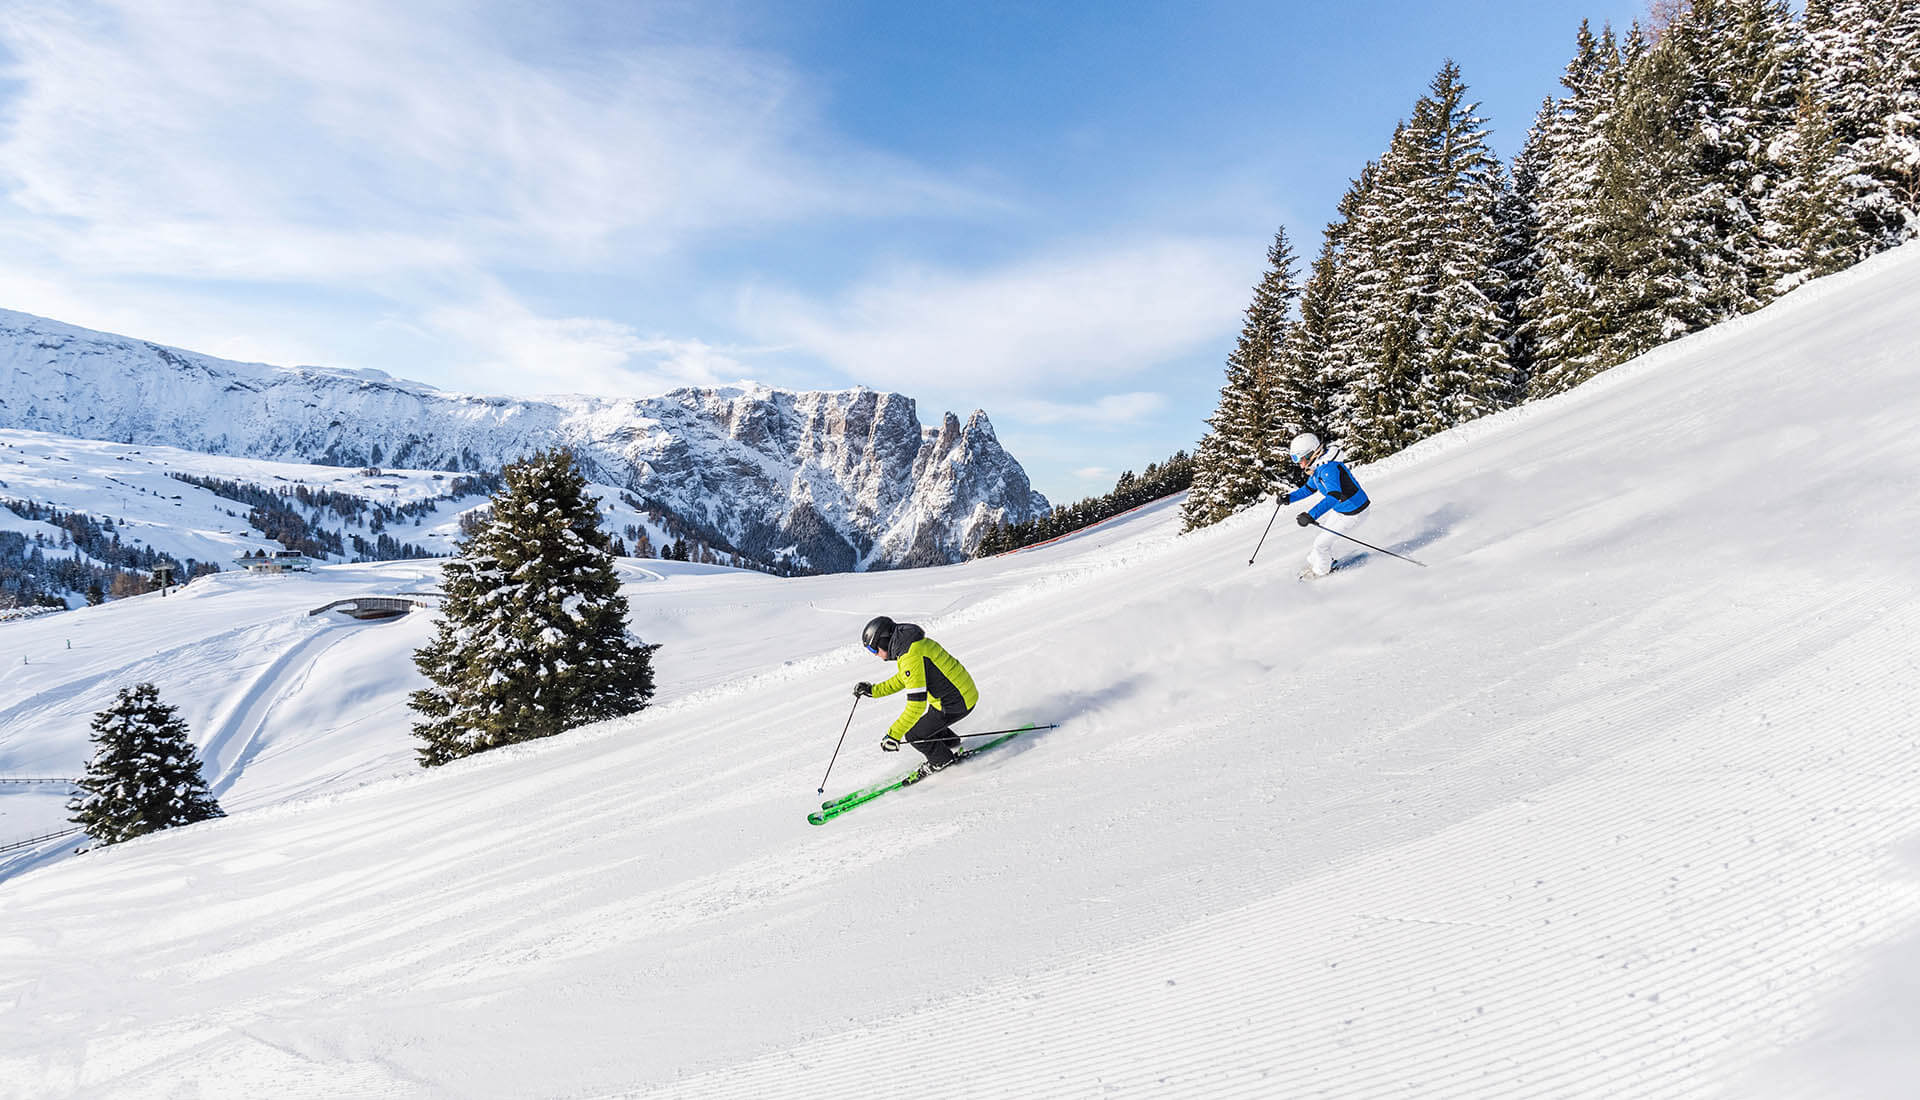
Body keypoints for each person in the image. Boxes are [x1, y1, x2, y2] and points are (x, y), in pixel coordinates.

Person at [853, 616, 978, 771]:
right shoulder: (911, 646)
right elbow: (905, 678)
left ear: (883, 641)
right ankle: (953, 745)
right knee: (928, 723)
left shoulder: (910, 655)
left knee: (915, 735)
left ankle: (943, 761)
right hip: (960, 695)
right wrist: (873, 690)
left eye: (873, 649)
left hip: (955, 702)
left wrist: (894, 735)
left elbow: (916, 705)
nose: (875, 654)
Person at [1279, 432, 1371, 579]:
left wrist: (1311, 515)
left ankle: (1322, 572)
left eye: (1298, 458)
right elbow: (1309, 489)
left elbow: (1334, 496)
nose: (1298, 463)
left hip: (1355, 512)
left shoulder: (1328, 469)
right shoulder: (1318, 468)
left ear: (1311, 454)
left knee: (1321, 544)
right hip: (1341, 510)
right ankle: (1318, 562)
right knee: (1321, 539)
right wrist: (1289, 498)